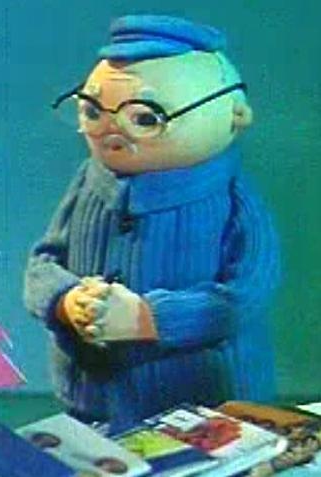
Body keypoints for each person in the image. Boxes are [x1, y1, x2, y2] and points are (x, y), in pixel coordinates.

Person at [24, 15, 280, 431]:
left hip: (203, 406)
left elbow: (246, 294)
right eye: (92, 111)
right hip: (93, 400)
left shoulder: (232, 198)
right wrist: (66, 300)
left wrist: (148, 317)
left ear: (234, 115)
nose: (111, 129)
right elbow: (42, 262)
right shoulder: (88, 181)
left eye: (145, 118)